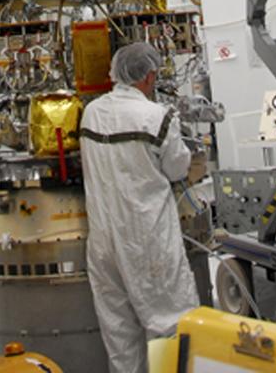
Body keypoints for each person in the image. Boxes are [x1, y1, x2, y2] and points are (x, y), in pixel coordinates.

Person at [80, 41, 198, 373]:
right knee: (171, 325)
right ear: (148, 77)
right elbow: (177, 168)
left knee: (119, 334)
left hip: (103, 242)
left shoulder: (91, 112)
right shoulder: (156, 116)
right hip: (147, 240)